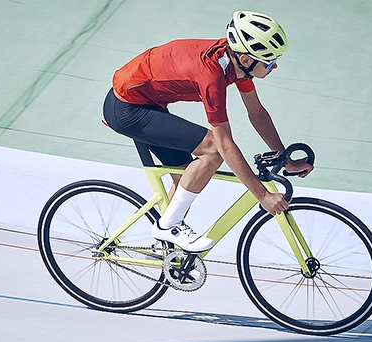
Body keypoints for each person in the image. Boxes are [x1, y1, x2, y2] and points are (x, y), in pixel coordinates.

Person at [102, 11, 314, 252]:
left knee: (188, 178)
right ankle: (167, 226)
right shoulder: (212, 76)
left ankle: (167, 251)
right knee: (212, 150)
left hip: (147, 102)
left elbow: (256, 113)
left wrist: (284, 158)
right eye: (269, 61)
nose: (274, 66)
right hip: (128, 109)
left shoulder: (236, 63)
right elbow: (223, 144)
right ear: (246, 59)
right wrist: (263, 195)